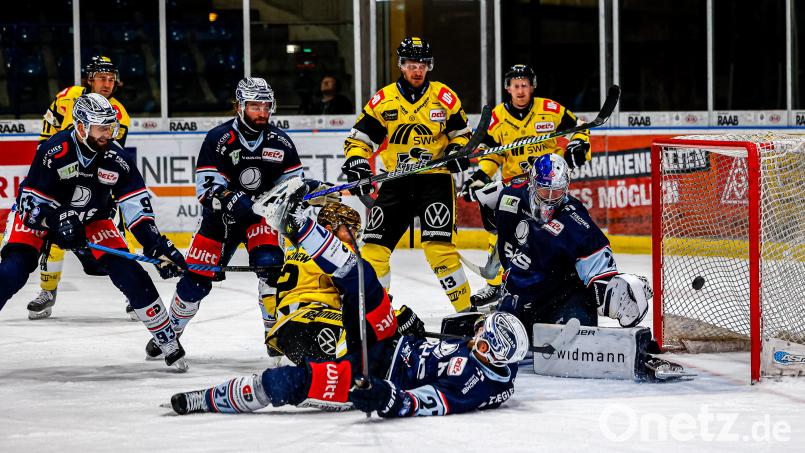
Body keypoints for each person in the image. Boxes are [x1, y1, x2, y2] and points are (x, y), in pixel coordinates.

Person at [170, 177, 530, 417]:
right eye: (484, 335)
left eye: (484, 347)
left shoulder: (479, 385)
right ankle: (299, 223)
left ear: (497, 361)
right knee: (363, 278)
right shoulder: (498, 355)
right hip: (387, 340)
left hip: (372, 373)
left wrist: (388, 398)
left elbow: (422, 403)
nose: (477, 342)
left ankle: (207, 399)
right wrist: (404, 321)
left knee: (295, 383)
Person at [144, 77, 336, 360]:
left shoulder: (280, 142)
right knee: (196, 281)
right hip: (219, 220)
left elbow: (291, 188)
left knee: (271, 269)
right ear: (240, 106)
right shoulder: (219, 139)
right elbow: (206, 190)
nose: (262, 112)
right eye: (255, 106)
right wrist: (232, 199)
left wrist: (306, 189)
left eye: (266, 106)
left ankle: (274, 335)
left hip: (260, 219)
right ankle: (171, 332)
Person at [0, 93, 188, 370]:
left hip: (91, 220)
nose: (107, 134)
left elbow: (137, 209)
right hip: (43, 218)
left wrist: (156, 246)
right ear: (80, 126)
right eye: (101, 127)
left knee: (129, 271)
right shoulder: (54, 150)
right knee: (13, 270)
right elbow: (30, 206)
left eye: (110, 127)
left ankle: (167, 339)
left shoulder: (117, 159)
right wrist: (55, 219)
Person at [341, 36, 474, 312]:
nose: (417, 70)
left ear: (429, 66)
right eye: (412, 64)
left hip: (435, 180)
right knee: (373, 250)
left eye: (422, 64)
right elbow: (360, 140)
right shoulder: (384, 99)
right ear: (402, 66)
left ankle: (466, 313)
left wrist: (458, 154)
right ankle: (378, 314)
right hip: (396, 181)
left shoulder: (443, 97)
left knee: (439, 249)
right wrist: (357, 161)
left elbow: (462, 136)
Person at [460, 64, 592, 310]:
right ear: (507, 88)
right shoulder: (498, 118)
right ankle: (499, 282)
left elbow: (580, 129)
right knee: (503, 224)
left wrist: (578, 146)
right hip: (517, 187)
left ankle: (568, 278)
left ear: (532, 87)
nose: (520, 90)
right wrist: (480, 176)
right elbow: (492, 155)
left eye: (524, 85)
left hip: (547, 187)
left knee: (556, 231)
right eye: (515, 86)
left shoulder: (550, 110)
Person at [28, 55, 133, 320]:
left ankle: (133, 294)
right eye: (101, 78)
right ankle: (47, 292)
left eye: (111, 79)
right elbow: (45, 137)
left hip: (94, 186)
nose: (107, 84)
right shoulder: (66, 98)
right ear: (89, 79)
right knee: (53, 237)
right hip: (60, 180)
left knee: (116, 241)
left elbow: (108, 155)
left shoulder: (119, 114)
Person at [264, 201, 361, 364]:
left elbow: (284, 215)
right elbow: (362, 292)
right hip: (314, 321)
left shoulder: (292, 244)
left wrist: (307, 200)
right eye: (349, 229)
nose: (354, 237)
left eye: (356, 231)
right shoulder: (339, 251)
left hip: (284, 332)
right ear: (330, 229)